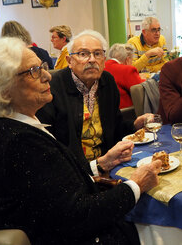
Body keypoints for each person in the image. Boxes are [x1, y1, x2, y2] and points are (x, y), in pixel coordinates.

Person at [0, 37, 162, 244]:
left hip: (82, 205)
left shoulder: (19, 125)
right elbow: (78, 215)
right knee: (161, 228)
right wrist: (136, 185)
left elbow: (56, 184)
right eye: (34, 71)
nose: (47, 76)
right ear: (5, 89)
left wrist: (100, 164)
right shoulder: (20, 140)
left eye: (43, 67)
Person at [37, 30, 150, 174]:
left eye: (97, 54)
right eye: (83, 54)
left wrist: (134, 125)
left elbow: (115, 127)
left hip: (110, 165)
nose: (92, 60)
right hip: (73, 172)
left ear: (104, 59)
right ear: (69, 61)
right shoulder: (53, 89)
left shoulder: (107, 81)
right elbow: (50, 146)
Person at [104, 43, 145, 109]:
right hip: (126, 112)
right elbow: (141, 90)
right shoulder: (127, 69)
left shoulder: (102, 67)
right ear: (127, 59)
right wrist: (143, 79)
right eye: (132, 60)